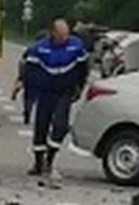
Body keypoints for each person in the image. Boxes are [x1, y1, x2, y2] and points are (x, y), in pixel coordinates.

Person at [22, 18, 90, 178]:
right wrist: (31, 91)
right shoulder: (39, 48)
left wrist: (80, 86)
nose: (64, 38)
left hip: (65, 91)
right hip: (46, 91)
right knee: (41, 125)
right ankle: (38, 163)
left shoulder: (76, 46)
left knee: (61, 124)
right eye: (61, 35)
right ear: (53, 33)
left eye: (66, 34)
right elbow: (29, 72)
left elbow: (83, 67)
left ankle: (50, 159)